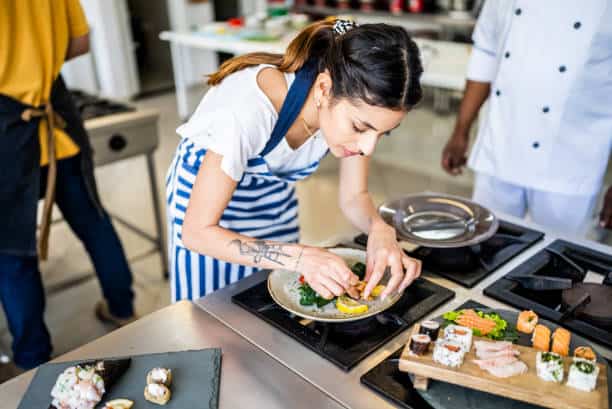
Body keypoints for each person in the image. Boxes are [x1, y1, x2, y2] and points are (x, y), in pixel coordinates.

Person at [166, 18, 424, 302]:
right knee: (211, 317)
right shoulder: (247, 110)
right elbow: (197, 233)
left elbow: (354, 196)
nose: (367, 147)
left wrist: (380, 229)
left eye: (382, 134)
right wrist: (301, 257)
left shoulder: (344, 104)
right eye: (361, 128)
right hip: (205, 215)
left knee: (265, 306)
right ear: (324, 89)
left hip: (272, 204)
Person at [0, 0, 136, 370]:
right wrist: (35, 63)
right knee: (93, 221)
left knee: (12, 254)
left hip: (7, 139)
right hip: (56, 121)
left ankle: (33, 360)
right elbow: (79, 42)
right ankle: (122, 308)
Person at [441, 0, 612, 237]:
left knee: (559, 261)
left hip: (573, 162)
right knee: (487, 249)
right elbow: (486, 54)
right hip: (499, 147)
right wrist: (460, 131)